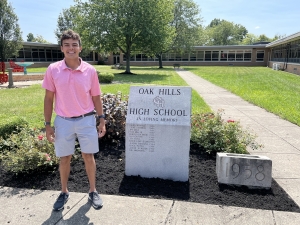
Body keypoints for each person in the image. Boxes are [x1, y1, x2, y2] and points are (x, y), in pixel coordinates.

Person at [42, 29, 106, 211]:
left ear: (80, 47)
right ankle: (64, 192)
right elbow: (48, 99)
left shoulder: (90, 71)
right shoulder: (53, 70)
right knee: (64, 158)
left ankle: (93, 191)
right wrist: (47, 125)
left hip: (86, 120)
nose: (71, 48)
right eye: (67, 45)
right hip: (63, 121)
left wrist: (101, 119)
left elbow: (96, 97)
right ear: (62, 48)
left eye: (74, 45)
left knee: (88, 156)